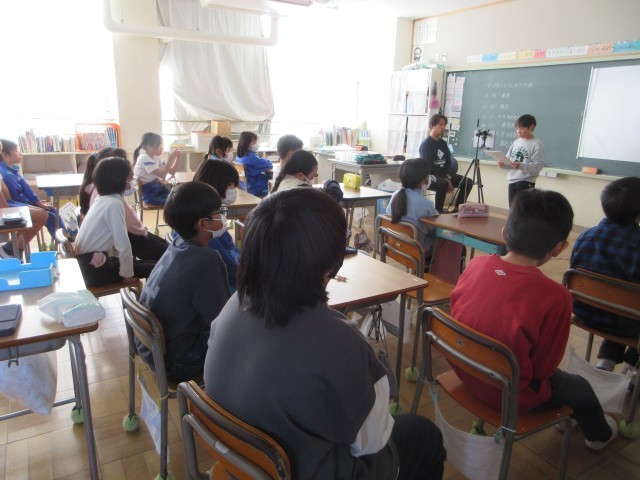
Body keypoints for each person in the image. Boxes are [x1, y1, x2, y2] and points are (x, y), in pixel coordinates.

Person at [204, 188, 446, 480]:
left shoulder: (233, 305)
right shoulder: (340, 343)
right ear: (330, 264)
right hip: (297, 471)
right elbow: (372, 442)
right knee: (424, 435)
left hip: (240, 462)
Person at [451, 189, 618, 451]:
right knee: (579, 387)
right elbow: (544, 370)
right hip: (509, 394)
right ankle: (599, 436)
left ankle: (571, 414)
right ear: (559, 248)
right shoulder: (556, 296)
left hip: (465, 369)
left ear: (505, 233)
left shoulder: (475, 265)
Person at [139, 181, 230, 383]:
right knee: (245, 340)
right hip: (178, 361)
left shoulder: (177, 243)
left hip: (152, 348)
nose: (223, 216)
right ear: (203, 224)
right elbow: (222, 321)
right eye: (219, 212)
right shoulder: (206, 260)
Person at [570, 176, 640, 373]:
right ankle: (633, 366)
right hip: (626, 322)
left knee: (619, 300)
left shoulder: (585, 236)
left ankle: (607, 360)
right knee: (627, 306)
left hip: (585, 311)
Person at [74, 157, 155, 287]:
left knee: (153, 265)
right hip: (96, 271)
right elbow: (123, 244)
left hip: (89, 264)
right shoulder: (114, 203)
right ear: (119, 179)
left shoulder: (103, 198)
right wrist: (127, 275)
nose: (132, 179)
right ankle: (148, 299)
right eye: (129, 176)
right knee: (155, 269)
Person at [81, 147, 168, 262]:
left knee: (168, 249)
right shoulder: (109, 198)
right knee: (168, 255)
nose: (131, 178)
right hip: (131, 238)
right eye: (128, 175)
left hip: (132, 235)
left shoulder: (105, 191)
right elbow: (127, 234)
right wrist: (142, 230)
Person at [0, 139, 65, 241]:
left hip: (19, 204)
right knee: (50, 216)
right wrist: (33, 204)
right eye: (16, 151)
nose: (20, 153)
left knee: (52, 211)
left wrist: (36, 202)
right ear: (4, 155)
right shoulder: (6, 174)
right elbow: (15, 197)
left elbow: (27, 189)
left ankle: (66, 239)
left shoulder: (12, 170)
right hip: (14, 206)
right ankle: (63, 241)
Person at [191, 159, 241, 291]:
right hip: (226, 286)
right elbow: (230, 267)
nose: (233, 189)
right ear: (213, 184)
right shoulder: (208, 225)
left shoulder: (196, 211)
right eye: (229, 184)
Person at [419, 114, 472, 213]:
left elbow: (448, 162)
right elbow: (429, 167)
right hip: (430, 176)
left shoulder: (443, 143)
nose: (443, 127)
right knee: (443, 184)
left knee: (468, 182)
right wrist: (446, 180)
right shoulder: (426, 144)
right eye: (441, 124)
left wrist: (448, 177)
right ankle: (438, 212)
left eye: (445, 125)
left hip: (444, 176)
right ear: (432, 125)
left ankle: (457, 209)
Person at [386, 158, 438, 257]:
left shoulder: (395, 195)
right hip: (416, 250)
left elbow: (388, 217)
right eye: (428, 176)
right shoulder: (426, 204)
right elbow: (436, 227)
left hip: (394, 246)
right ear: (423, 180)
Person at [497, 114, 545, 206]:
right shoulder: (516, 142)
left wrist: (521, 166)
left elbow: (539, 165)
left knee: (522, 210)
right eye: (517, 128)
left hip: (525, 182)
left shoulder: (537, 144)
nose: (518, 131)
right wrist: (503, 165)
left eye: (522, 128)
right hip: (512, 180)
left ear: (531, 127)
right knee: (513, 209)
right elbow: (508, 161)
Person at [271, 150, 343, 203]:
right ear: (300, 175)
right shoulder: (301, 191)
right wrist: (329, 182)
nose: (312, 180)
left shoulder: (284, 181)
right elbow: (336, 192)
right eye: (312, 177)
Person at [133, 132, 181, 205]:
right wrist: (170, 158)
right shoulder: (144, 158)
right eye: (159, 145)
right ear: (149, 147)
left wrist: (178, 158)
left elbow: (171, 172)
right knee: (175, 201)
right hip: (149, 193)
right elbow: (163, 175)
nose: (161, 148)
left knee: (179, 197)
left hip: (157, 189)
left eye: (161, 145)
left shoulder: (156, 157)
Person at [235, 131, 272, 197]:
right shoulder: (252, 159)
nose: (256, 143)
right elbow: (269, 165)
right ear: (247, 143)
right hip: (257, 188)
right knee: (275, 187)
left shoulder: (239, 156)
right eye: (254, 141)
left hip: (245, 186)